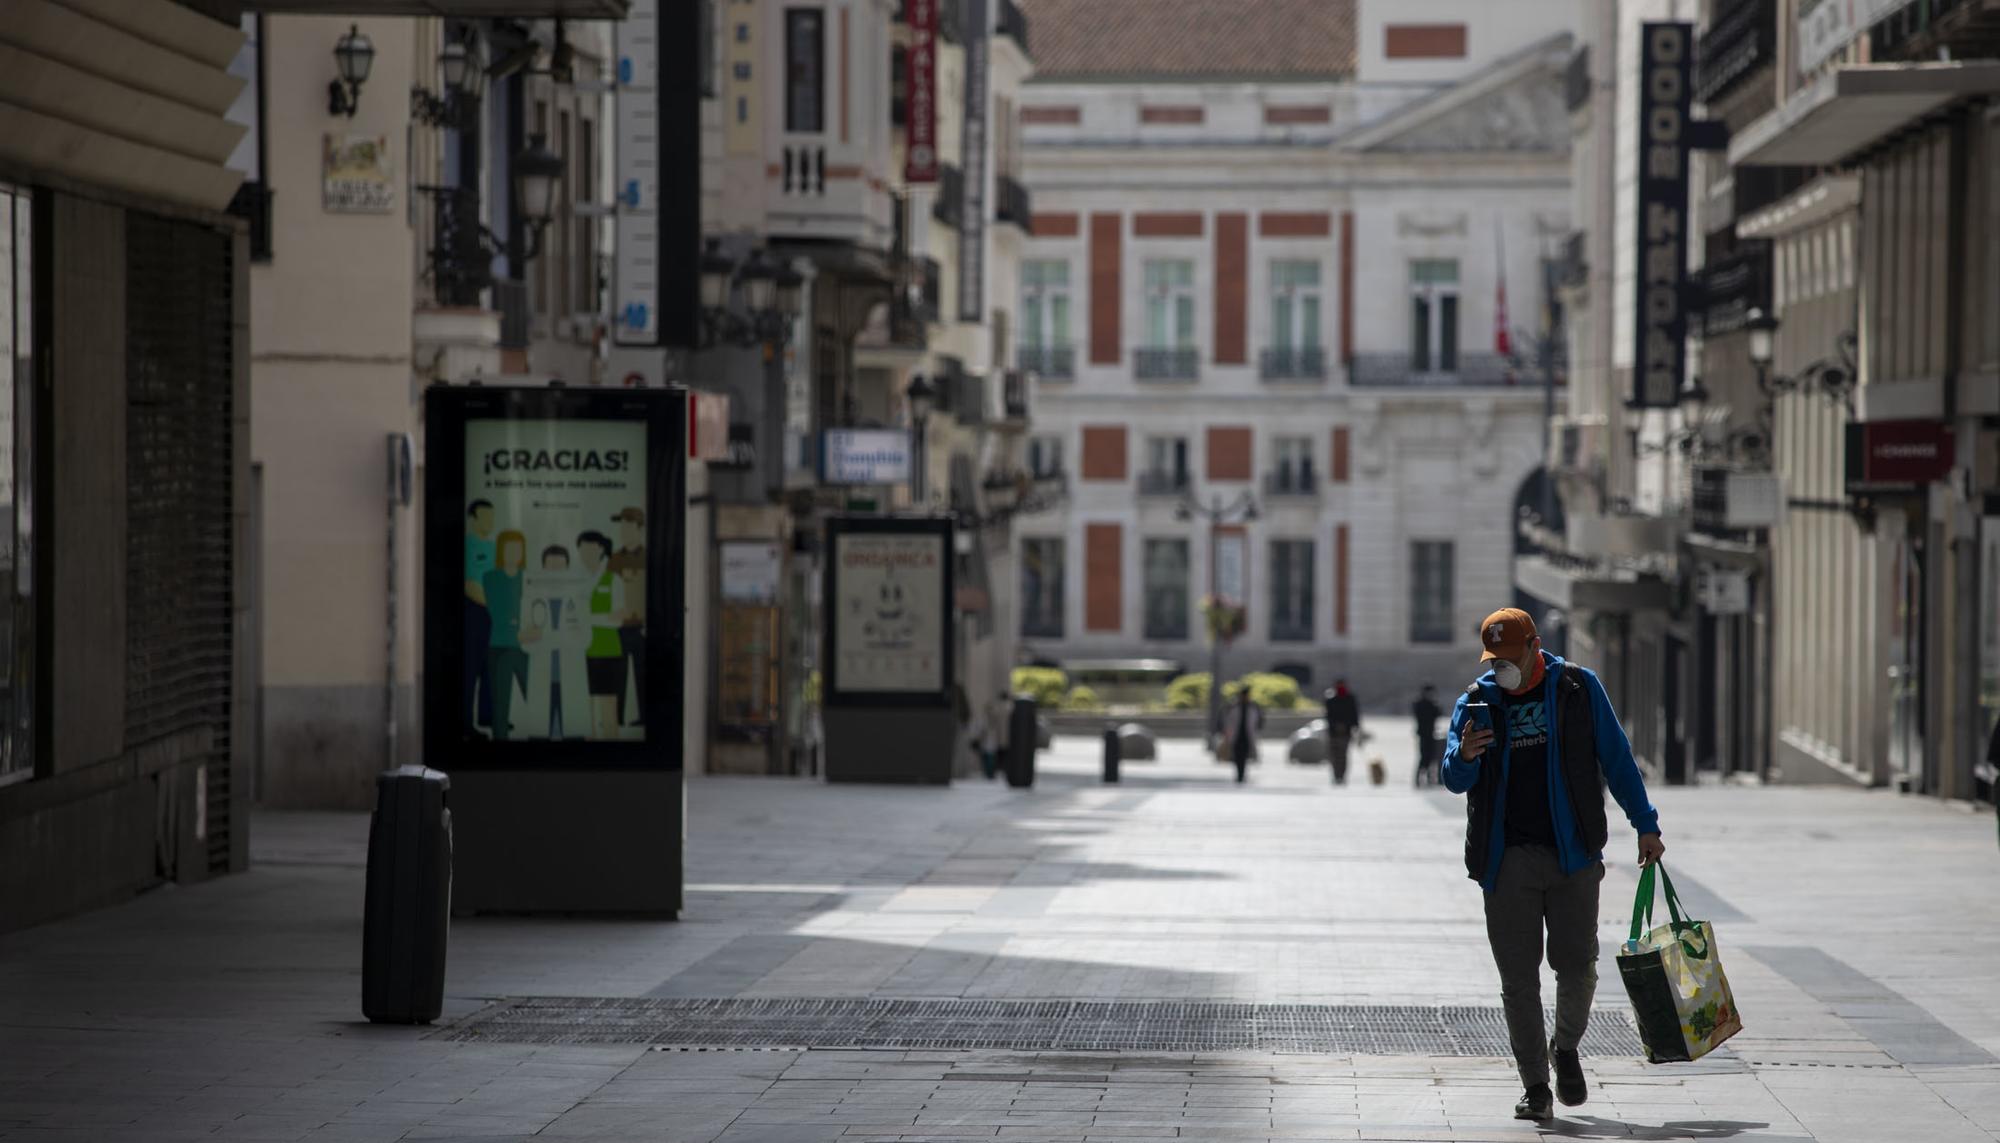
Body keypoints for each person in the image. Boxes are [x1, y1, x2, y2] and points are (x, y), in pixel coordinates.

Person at [1443, 607, 1665, 1122]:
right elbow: (1452, 778)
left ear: (1535, 646)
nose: (1502, 667)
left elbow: (1617, 758)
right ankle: (1536, 1086)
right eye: (1493, 658)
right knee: (1518, 981)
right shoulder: (1476, 701)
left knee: (1578, 967)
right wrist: (1466, 756)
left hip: (1573, 858)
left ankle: (1565, 1047)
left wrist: (1645, 823)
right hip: (1506, 864)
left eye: (1510, 656)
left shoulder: (1578, 690)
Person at [480, 530, 529, 741]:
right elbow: (496, 612)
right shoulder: (490, 578)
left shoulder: (529, 578)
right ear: (502, 550)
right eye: (509, 548)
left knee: (537, 698)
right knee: (500, 706)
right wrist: (515, 620)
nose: (514, 552)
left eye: (518, 548)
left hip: (526, 647)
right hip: (498, 646)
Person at [577, 531, 625, 739]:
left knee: (607, 710)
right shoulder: (576, 580)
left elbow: (619, 618)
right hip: (580, 652)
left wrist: (587, 617)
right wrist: (600, 617)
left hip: (607, 650)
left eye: (591, 548)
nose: (586, 553)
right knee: (586, 713)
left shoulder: (613, 580)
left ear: (601, 549)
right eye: (582, 549)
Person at [463, 500, 498, 735]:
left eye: (491, 516)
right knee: (470, 668)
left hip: (496, 615)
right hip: (476, 613)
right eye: (484, 516)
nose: (489, 521)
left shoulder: (495, 547)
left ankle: (487, 717)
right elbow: (470, 585)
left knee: (490, 667)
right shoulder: (468, 545)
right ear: (473, 518)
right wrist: (495, 604)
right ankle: (466, 723)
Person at [611, 508, 647, 727]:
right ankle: (616, 720)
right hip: (619, 627)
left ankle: (644, 717)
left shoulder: (647, 557)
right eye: (621, 526)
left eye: (628, 526)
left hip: (642, 628)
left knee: (643, 676)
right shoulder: (615, 559)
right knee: (617, 676)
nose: (623, 531)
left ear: (639, 528)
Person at [1323, 681, 1360, 785]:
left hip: (1345, 732)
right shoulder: (1331, 699)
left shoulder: (1350, 699)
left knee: (1342, 755)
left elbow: (1354, 714)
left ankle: (1341, 775)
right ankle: (1336, 775)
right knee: (1334, 755)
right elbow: (1328, 716)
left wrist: (1354, 726)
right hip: (1334, 732)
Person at [1223, 689, 1262, 784]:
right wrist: (1227, 735)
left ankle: (1242, 774)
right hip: (1236, 736)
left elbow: (1258, 722)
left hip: (1247, 736)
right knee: (1237, 756)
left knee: (1244, 756)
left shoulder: (1253, 707)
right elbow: (1228, 722)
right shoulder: (1234, 707)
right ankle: (1239, 774)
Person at [1413, 685, 1443, 787]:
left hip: (1430, 734)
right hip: (1424, 734)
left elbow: (1439, 713)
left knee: (1431, 757)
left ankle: (1429, 778)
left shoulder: (1428, 704)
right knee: (1424, 757)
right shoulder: (1420, 704)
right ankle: (1418, 779)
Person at [985, 691, 1012, 780]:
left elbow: (991, 718)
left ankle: (997, 770)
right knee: (1005, 753)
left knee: (998, 754)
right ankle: (1005, 769)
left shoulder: (998, 707)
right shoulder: (1010, 707)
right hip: (1007, 735)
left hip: (998, 734)